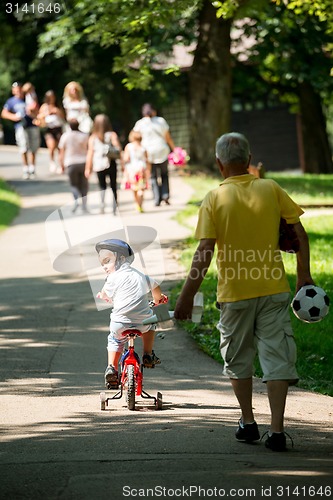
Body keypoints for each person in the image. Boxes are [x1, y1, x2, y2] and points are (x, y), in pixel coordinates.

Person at [174, 132, 314, 452]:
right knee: (277, 359)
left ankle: (248, 422)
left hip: (235, 293)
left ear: (218, 164)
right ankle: (277, 431)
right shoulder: (271, 188)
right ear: (249, 162)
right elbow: (299, 233)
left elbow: (204, 252)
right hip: (274, 288)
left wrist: (186, 297)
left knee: (239, 360)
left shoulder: (213, 198)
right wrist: (303, 275)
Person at [95, 239, 167, 388]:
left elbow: (105, 293)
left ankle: (112, 368)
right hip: (143, 323)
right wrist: (158, 299)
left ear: (121, 259)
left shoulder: (112, 278)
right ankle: (148, 354)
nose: (104, 267)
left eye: (107, 261)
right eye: (102, 263)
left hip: (120, 323)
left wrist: (103, 296)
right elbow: (155, 286)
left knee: (114, 340)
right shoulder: (141, 276)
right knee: (151, 323)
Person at [133, 103, 175, 206]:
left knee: (153, 176)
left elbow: (134, 136)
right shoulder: (161, 121)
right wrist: (174, 149)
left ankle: (156, 199)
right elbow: (168, 137)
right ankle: (165, 195)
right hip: (162, 150)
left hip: (148, 153)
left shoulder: (140, 123)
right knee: (164, 174)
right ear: (154, 111)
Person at [1, 81, 41, 179]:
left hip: (32, 125)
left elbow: (37, 109)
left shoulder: (29, 98)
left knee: (33, 147)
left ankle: (32, 168)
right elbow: (4, 113)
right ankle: (25, 168)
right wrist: (14, 117)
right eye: (16, 89)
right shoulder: (11, 101)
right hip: (20, 126)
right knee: (23, 146)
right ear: (13, 91)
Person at [85, 114, 122, 215]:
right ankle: (115, 207)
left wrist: (88, 168)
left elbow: (90, 154)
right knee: (113, 185)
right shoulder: (112, 135)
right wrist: (122, 165)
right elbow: (119, 150)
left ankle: (102, 205)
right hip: (111, 163)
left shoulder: (93, 137)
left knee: (102, 186)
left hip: (99, 165)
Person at [58, 118, 89, 213]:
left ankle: (76, 201)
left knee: (73, 184)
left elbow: (61, 152)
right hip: (83, 162)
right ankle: (84, 204)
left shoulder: (65, 136)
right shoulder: (84, 136)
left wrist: (61, 165)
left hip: (71, 162)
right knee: (84, 185)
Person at [36, 90, 65, 172]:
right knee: (51, 147)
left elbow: (63, 117)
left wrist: (57, 111)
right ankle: (52, 162)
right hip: (49, 129)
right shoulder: (44, 106)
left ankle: (61, 164)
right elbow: (39, 117)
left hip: (58, 128)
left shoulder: (57, 106)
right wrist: (47, 113)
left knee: (60, 147)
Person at [123, 130, 150, 213]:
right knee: (141, 187)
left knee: (134, 188)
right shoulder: (143, 148)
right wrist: (148, 171)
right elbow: (147, 160)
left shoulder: (129, 147)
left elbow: (126, 158)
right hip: (142, 169)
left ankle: (137, 204)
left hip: (132, 169)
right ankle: (140, 202)